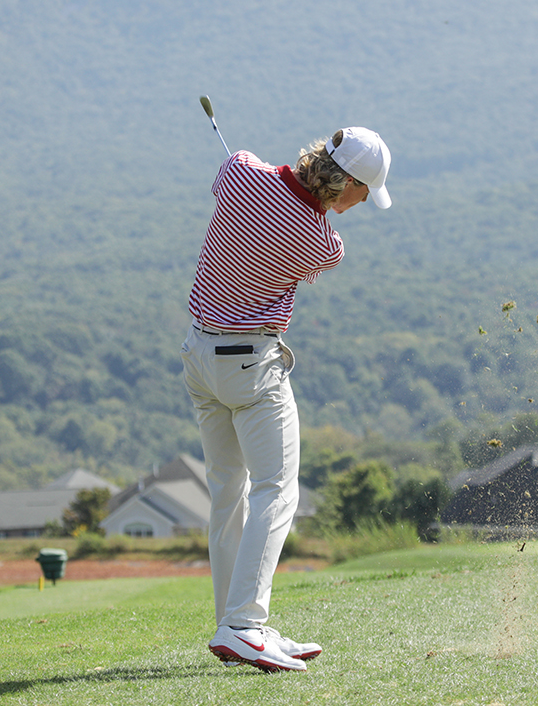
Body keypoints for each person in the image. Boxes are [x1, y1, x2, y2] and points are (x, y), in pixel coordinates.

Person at [181, 126, 392, 673]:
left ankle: (235, 622)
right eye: (362, 193)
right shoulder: (322, 242)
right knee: (277, 490)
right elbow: (327, 249)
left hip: (200, 354)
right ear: (344, 182)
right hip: (252, 367)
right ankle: (244, 625)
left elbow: (244, 175)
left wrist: (259, 188)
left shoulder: (238, 171)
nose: (361, 204)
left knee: (228, 490)